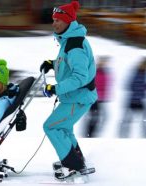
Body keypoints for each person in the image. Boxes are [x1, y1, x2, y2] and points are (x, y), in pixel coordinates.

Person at [39, 1, 97, 180]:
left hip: (78, 97)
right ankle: (76, 161)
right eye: (53, 19)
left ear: (68, 21)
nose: (54, 23)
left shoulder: (75, 45)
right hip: (74, 97)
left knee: (51, 126)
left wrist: (55, 88)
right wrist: (52, 63)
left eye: (58, 20)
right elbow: (67, 64)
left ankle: (71, 165)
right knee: (64, 129)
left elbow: (80, 77)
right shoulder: (68, 40)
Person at [84, 56, 112, 137]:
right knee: (94, 116)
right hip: (94, 98)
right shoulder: (94, 72)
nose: (103, 64)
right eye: (102, 62)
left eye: (104, 63)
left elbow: (106, 85)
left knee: (101, 116)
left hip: (101, 98)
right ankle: (89, 134)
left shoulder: (104, 72)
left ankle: (91, 133)